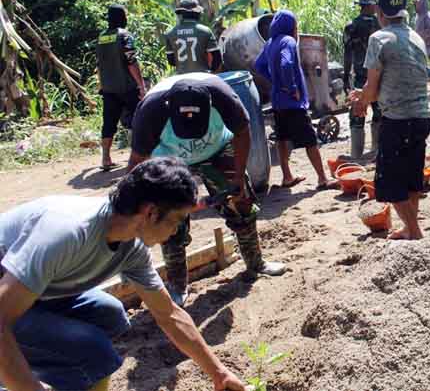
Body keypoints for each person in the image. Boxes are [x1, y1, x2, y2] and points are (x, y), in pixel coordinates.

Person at [0, 158, 247, 391]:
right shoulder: (68, 234)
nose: (175, 232)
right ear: (151, 212)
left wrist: (219, 373)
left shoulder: (132, 246)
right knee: (94, 352)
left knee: (109, 315)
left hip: (29, 294)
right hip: (7, 296)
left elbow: (169, 314)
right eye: (177, 220)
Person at [128, 74, 286, 306]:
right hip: (169, 158)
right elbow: (137, 161)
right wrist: (137, 205)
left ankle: (256, 264)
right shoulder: (151, 111)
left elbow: (243, 132)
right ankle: (177, 285)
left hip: (218, 148)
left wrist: (239, 177)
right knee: (168, 220)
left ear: (210, 105)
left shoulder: (225, 97)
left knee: (241, 203)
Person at [349, 0, 430, 240]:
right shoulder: (415, 38)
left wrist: (360, 99)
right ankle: (409, 227)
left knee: (391, 184)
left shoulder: (379, 39)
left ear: (379, 12)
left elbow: (372, 90)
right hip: (421, 118)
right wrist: (366, 96)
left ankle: (415, 232)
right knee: (412, 179)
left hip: (397, 121)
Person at [254, 11, 338, 190]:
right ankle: (323, 178)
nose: (297, 29)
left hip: (277, 102)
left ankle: (287, 177)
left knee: (282, 139)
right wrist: (290, 88)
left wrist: (274, 80)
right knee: (310, 140)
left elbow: (258, 65)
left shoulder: (270, 43)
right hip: (292, 102)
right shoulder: (288, 42)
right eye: (296, 26)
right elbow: (286, 63)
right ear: (290, 26)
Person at [95, 4, 146, 172]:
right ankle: (140, 157)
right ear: (121, 17)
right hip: (127, 86)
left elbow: (99, 64)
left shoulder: (101, 37)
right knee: (139, 119)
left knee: (109, 123)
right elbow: (131, 61)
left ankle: (105, 158)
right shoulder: (124, 35)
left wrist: (101, 84)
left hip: (109, 88)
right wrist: (141, 84)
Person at [342, 0, 383, 158]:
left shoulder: (351, 27)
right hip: (379, 77)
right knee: (379, 114)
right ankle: (376, 151)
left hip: (359, 77)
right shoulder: (381, 26)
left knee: (357, 116)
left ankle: (356, 156)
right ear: (373, 5)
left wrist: (345, 76)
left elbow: (347, 54)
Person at [163, 0, 221, 74]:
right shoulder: (205, 31)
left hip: (181, 76)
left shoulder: (170, 33)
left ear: (181, 13)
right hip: (203, 75)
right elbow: (217, 58)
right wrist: (212, 71)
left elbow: (171, 61)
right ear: (196, 13)